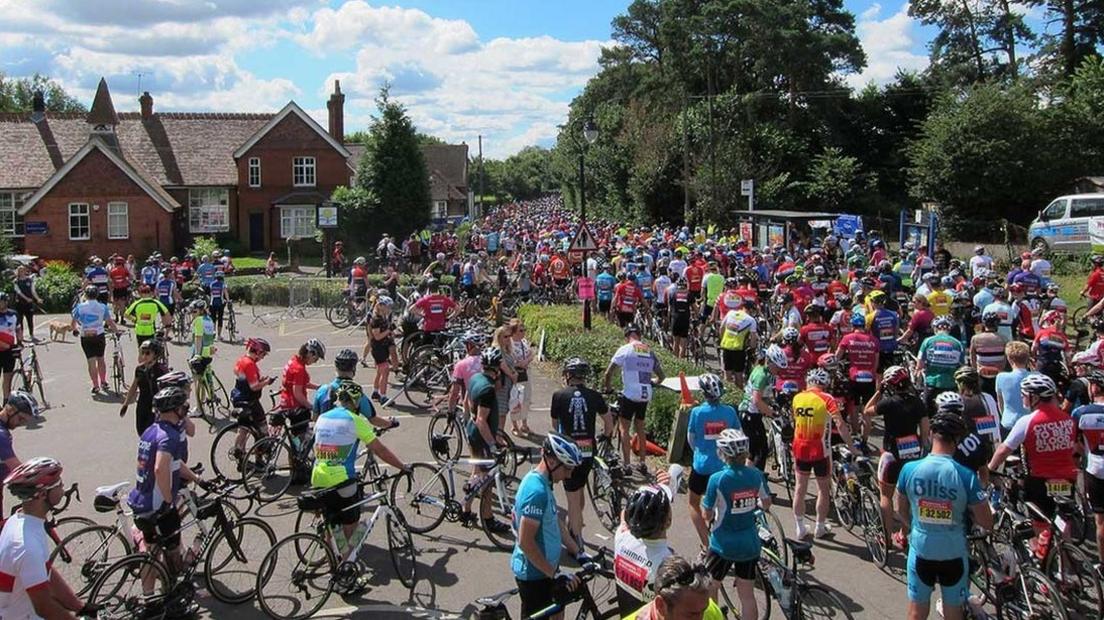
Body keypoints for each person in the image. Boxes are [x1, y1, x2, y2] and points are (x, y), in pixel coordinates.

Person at [896, 410, 993, 620]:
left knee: (916, 613)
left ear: (931, 434)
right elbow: (987, 522)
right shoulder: (965, 475)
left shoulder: (909, 469)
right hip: (954, 551)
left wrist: (910, 529)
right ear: (957, 440)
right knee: (953, 613)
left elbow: (899, 510)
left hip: (921, 547)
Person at [312, 380, 408, 559]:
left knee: (332, 521)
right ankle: (346, 563)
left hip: (318, 476)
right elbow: (380, 450)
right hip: (342, 481)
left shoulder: (322, 418)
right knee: (353, 526)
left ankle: (332, 559)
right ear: (356, 402)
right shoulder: (355, 420)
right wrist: (402, 467)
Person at [988, 373, 1077, 559]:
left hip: (1039, 479)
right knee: (1062, 519)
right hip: (1066, 477)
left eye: (1024, 394)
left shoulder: (1027, 421)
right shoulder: (1067, 419)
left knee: (1040, 523)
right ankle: (1067, 561)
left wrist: (991, 468)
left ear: (1034, 397)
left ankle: (1041, 563)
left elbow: (1004, 449)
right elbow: (1075, 449)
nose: (1022, 397)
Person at [127, 387, 208, 587]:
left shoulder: (151, 430)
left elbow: (174, 464)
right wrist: (169, 500)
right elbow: (160, 468)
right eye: (184, 407)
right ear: (176, 410)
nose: (186, 410)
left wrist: (196, 479)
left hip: (141, 500)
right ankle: (171, 592)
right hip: (158, 503)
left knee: (152, 554)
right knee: (173, 557)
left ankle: (150, 599)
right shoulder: (169, 436)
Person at [0, 457, 95, 619]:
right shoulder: (27, 545)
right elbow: (44, 607)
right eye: (58, 484)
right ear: (42, 494)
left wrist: (80, 606)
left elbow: (46, 572)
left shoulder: (19, 521)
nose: (63, 489)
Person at [512, 434, 586, 619]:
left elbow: (555, 523)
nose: (569, 474)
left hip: (545, 572)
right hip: (535, 576)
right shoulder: (536, 491)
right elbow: (525, 542)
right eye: (567, 468)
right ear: (552, 462)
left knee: (559, 612)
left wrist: (579, 553)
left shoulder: (544, 483)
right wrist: (555, 574)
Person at [700, 429, 771, 619]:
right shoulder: (756, 475)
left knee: (710, 586)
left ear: (722, 453)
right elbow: (766, 503)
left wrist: (712, 513)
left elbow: (706, 514)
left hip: (723, 544)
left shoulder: (717, 479)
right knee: (747, 595)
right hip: (750, 542)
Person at [550, 357, 612, 557]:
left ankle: (576, 541)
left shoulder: (559, 395)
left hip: (568, 452)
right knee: (579, 491)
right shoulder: (594, 396)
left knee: (572, 500)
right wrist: (606, 435)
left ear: (568, 375)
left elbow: (554, 424)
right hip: (588, 450)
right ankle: (574, 526)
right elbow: (608, 419)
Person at [865, 365, 929, 549]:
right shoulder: (917, 402)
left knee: (886, 496)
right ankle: (904, 534)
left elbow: (867, 411)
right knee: (907, 496)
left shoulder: (889, 402)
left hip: (891, 454)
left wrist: (879, 392)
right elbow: (925, 428)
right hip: (914, 454)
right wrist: (921, 447)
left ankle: (885, 536)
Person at [792, 367, 851, 539]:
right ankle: (819, 526)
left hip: (799, 448)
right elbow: (839, 424)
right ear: (823, 384)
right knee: (823, 490)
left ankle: (800, 527)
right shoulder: (827, 398)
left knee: (800, 489)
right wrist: (852, 446)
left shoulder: (797, 398)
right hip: (820, 451)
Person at [686, 373, 740, 547]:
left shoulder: (697, 412)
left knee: (694, 503)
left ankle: (706, 543)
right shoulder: (730, 411)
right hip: (724, 466)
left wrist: (700, 452)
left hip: (702, 466)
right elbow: (738, 436)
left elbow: (691, 438)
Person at [604, 323, 666, 474]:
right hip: (645, 394)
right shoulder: (649, 351)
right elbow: (662, 376)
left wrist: (608, 388)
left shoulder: (625, 349)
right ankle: (643, 463)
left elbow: (608, 373)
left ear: (627, 337)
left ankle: (626, 465)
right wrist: (653, 383)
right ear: (639, 335)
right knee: (640, 428)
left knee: (624, 428)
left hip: (630, 394)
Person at [464, 346, 512, 532]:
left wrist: (468, 420)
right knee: (487, 481)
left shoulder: (475, 378)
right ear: (498, 369)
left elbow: (467, 402)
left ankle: (466, 509)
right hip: (481, 437)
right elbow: (482, 420)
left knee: (477, 472)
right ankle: (488, 519)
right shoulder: (488, 390)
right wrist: (492, 444)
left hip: (472, 433)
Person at [614, 479, 675, 616]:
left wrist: (654, 487)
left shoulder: (621, 538)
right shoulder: (668, 564)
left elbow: (624, 516)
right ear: (668, 522)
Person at [312, 349, 397, 431]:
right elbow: (373, 419)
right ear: (354, 369)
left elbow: (315, 417)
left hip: (322, 440)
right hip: (345, 442)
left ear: (336, 368)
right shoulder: (354, 392)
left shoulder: (322, 390)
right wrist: (390, 423)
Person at [278, 339, 325, 482]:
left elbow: (301, 384)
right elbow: (298, 393)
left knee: (295, 441)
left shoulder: (294, 361)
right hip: (295, 407)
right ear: (310, 353)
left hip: (286, 401)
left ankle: (297, 469)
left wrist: (317, 387)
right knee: (303, 440)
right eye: (316, 358)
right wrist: (312, 406)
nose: (315, 361)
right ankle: (297, 473)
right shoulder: (299, 369)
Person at [624, 555, 724, 620]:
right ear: (661, 606)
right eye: (690, 615)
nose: (701, 618)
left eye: (703, 611)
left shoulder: (710, 611)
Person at [1072, 369, 1104, 570]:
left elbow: (1075, 447)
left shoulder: (1081, 412)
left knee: (1101, 521)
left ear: (1095, 387)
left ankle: (1102, 563)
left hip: (1095, 469)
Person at [741, 345, 788, 471]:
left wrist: (773, 403)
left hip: (753, 414)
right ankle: (756, 480)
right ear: (769, 362)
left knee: (754, 450)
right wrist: (773, 413)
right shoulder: (761, 375)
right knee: (761, 450)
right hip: (750, 414)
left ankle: (751, 477)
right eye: (777, 367)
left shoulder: (765, 372)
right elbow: (757, 400)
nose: (779, 370)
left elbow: (764, 397)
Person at [70, 285, 118, 395]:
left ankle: (95, 385)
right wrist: (116, 331)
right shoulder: (102, 307)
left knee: (91, 361)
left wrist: (75, 330)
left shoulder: (79, 307)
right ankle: (103, 381)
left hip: (86, 336)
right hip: (99, 335)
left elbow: (73, 323)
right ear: (97, 295)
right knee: (101, 359)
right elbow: (110, 322)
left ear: (85, 295)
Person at [229, 337, 274, 452]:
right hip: (250, 401)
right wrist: (266, 382)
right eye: (263, 354)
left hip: (240, 397)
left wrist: (260, 380)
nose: (262, 357)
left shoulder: (242, 360)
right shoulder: (250, 364)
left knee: (243, 429)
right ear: (258, 351)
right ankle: (259, 458)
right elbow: (254, 387)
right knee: (262, 429)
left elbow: (244, 379)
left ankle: (239, 453)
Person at [119, 339, 169, 437]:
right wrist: (125, 404)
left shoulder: (162, 370)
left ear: (155, 354)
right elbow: (134, 386)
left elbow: (168, 390)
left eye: (148, 353)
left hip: (156, 407)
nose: (144, 356)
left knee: (153, 435)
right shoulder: (139, 369)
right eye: (143, 353)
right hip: (142, 404)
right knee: (141, 432)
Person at [916, 316, 965, 415]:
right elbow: (962, 366)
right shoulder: (958, 344)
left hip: (932, 384)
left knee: (928, 415)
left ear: (935, 328)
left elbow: (919, 365)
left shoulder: (927, 341)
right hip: (951, 385)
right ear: (949, 329)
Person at [0, 391, 38, 517]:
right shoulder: (1, 435)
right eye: (21, 418)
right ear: (10, 410)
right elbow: (17, 469)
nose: (20, 424)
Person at [366, 297, 398, 403]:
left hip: (382, 347)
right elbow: (377, 336)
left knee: (379, 372)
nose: (389, 309)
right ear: (380, 306)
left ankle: (375, 392)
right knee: (385, 372)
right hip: (378, 349)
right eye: (387, 306)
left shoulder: (382, 316)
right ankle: (383, 396)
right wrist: (389, 330)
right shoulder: (376, 319)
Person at [995, 341, 1032, 433]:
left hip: (1009, 422)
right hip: (1030, 422)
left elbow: (1001, 403)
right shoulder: (1036, 376)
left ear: (1009, 359)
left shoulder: (1001, 377)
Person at [124, 285, 170, 350]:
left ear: (140, 294)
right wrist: (167, 324)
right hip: (150, 330)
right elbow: (166, 313)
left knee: (141, 349)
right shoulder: (156, 302)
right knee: (151, 350)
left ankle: (141, 359)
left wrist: (134, 319)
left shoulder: (137, 303)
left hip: (140, 330)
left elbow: (126, 314)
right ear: (150, 293)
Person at [510, 319, 534, 436]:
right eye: (521, 330)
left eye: (524, 330)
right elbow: (507, 360)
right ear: (513, 332)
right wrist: (519, 364)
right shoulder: (509, 344)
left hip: (526, 373)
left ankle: (524, 424)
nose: (523, 332)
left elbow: (531, 353)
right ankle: (514, 426)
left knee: (526, 399)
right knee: (515, 399)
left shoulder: (524, 341)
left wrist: (526, 361)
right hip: (514, 375)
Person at [0, 292, 24, 400]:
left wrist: (20, 340)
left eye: (1, 301)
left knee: (8, 377)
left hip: (9, 350)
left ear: (6, 302)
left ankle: (6, 401)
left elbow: (18, 328)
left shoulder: (14, 314)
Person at [11, 266, 43, 342]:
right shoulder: (16, 281)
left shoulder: (29, 280)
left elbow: (33, 291)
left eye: (23, 271)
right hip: (19, 303)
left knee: (30, 320)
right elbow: (18, 292)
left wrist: (38, 299)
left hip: (29, 304)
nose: (22, 272)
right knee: (20, 320)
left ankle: (31, 335)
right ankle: (21, 336)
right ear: (18, 272)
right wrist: (26, 298)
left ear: (25, 271)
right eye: (20, 271)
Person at [209, 271, 230, 340]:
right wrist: (228, 300)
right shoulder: (223, 284)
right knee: (220, 318)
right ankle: (219, 335)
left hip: (212, 303)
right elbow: (225, 293)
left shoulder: (212, 284)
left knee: (213, 318)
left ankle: (213, 332)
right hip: (220, 303)